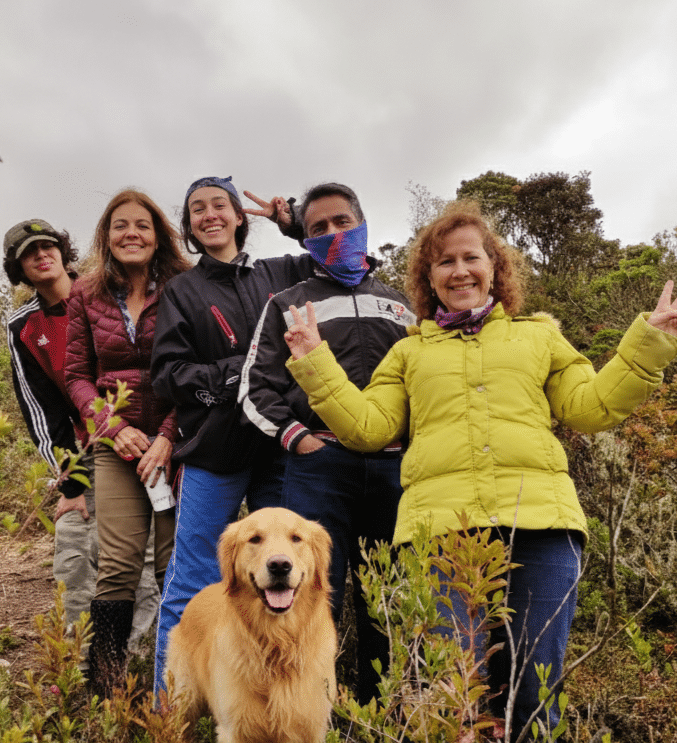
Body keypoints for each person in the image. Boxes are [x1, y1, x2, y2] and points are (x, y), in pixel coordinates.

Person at [282, 199, 677, 743]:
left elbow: (592, 407)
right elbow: (367, 429)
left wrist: (647, 344)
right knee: (453, 685)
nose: (459, 271)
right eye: (443, 262)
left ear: (495, 268)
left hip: (542, 527)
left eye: (471, 257)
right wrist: (314, 362)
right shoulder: (409, 351)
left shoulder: (541, 337)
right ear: (428, 279)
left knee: (533, 683)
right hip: (441, 532)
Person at [238, 182, 416, 704]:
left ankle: (384, 715)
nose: (333, 234)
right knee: (314, 596)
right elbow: (255, 387)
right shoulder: (287, 303)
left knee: (387, 596)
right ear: (305, 239)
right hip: (319, 470)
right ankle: (311, 717)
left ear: (362, 224)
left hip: (394, 471)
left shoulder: (403, 305)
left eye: (342, 222)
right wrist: (295, 439)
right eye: (318, 228)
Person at [150, 175, 316, 697]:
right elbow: (168, 376)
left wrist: (295, 226)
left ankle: (279, 705)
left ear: (240, 216)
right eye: (197, 209)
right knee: (193, 578)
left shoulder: (282, 273)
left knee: (287, 577)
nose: (209, 215)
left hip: (280, 449)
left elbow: (344, 257)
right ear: (190, 226)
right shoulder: (181, 291)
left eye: (219, 205)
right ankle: (168, 715)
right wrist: (238, 373)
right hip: (215, 452)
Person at [3, 219, 160, 651]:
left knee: (137, 555)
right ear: (19, 268)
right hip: (89, 450)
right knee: (73, 547)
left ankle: (137, 655)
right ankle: (77, 655)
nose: (41, 255)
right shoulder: (24, 326)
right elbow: (41, 409)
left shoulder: (104, 291)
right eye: (28, 253)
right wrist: (69, 482)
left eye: (48, 245)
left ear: (63, 249)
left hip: (146, 440)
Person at [64, 190, 189, 693]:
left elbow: (197, 371)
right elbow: (76, 376)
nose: (131, 233)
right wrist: (114, 429)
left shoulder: (184, 287)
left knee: (171, 564)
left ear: (157, 233)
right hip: (115, 446)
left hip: (176, 443)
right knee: (115, 566)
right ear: (106, 235)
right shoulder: (86, 293)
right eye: (120, 225)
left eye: (142, 224)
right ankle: (106, 693)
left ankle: (178, 686)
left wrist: (165, 436)